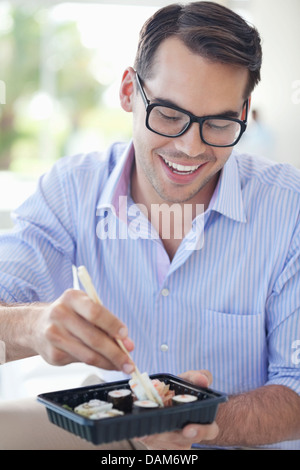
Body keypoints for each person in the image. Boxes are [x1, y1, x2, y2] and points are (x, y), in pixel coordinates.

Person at [0, 1, 299, 450]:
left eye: (217, 122)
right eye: (169, 114)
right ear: (128, 92)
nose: (190, 147)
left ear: (242, 113)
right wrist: (32, 325)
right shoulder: (71, 191)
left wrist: (189, 419)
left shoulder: (289, 208)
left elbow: (295, 388)